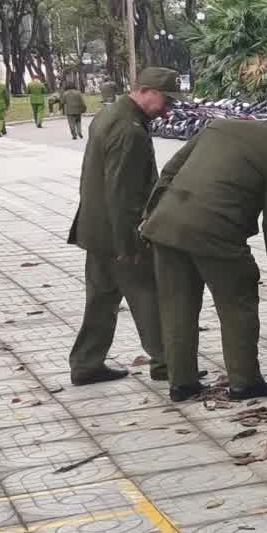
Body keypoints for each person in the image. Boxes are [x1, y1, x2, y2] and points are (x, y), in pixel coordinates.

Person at [140, 111, 267, 402]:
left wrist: (150, 216)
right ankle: (244, 382)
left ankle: (182, 383)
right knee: (237, 305)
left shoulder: (220, 126)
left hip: (166, 227)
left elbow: (170, 171)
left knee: (176, 306)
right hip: (217, 234)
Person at [68, 67, 178, 386]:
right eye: (165, 99)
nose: (168, 108)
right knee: (149, 295)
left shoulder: (112, 114)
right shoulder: (128, 129)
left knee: (102, 299)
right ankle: (168, 363)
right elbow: (122, 192)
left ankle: (86, 364)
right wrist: (128, 244)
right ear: (145, 91)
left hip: (97, 229)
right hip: (119, 233)